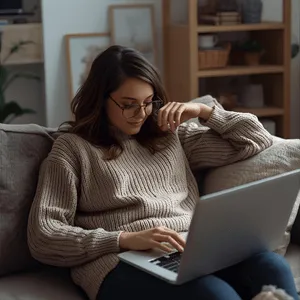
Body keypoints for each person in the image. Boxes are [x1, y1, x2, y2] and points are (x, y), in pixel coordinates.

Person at [27, 45, 298, 300]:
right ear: (100, 99)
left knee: (272, 267)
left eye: (147, 102)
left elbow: (255, 139)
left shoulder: (171, 136)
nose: (140, 113)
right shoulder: (72, 149)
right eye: (128, 104)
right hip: (118, 261)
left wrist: (204, 111)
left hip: (191, 248)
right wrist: (123, 239)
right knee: (215, 294)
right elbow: (43, 236)